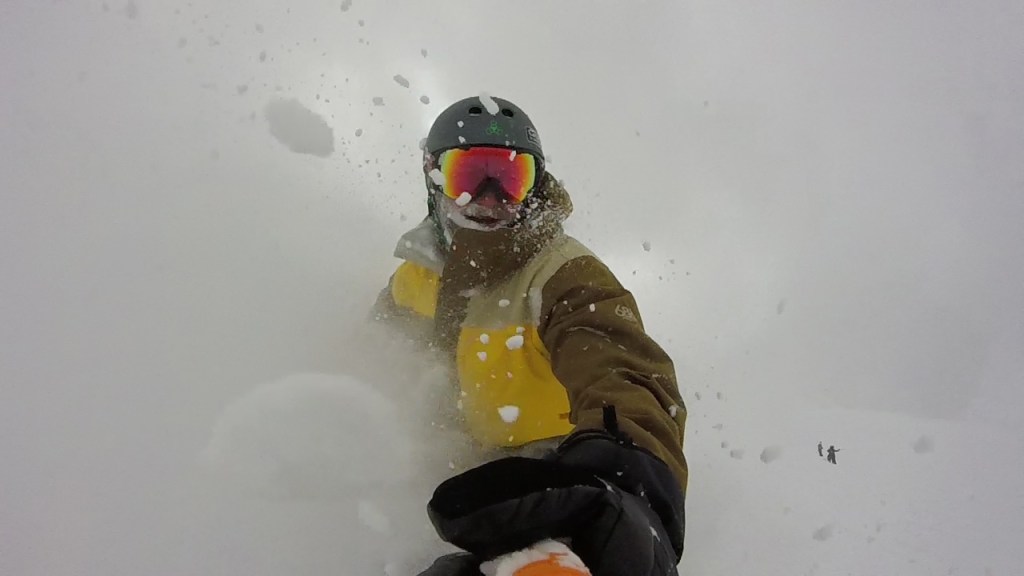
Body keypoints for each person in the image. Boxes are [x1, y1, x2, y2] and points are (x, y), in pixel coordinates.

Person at [373, 95, 687, 576]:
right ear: (432, 177)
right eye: (469, 175)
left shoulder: (565, 274)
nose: (489, 198)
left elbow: (622, 371)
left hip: (555, 478)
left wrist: (624, 474)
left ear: (535, 188)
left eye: (510, 180)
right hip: (448, 476)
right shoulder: (414, 280)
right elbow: (368, 360)